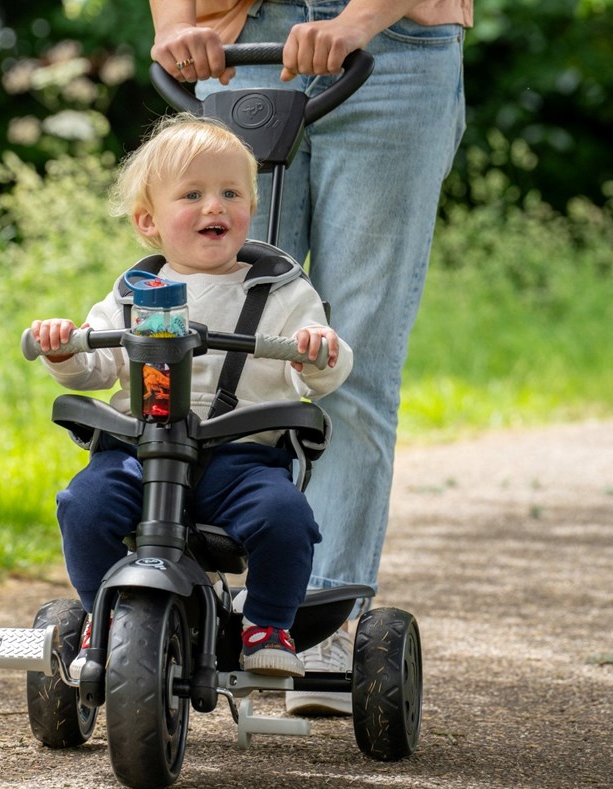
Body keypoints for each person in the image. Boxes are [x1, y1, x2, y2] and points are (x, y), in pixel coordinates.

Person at [149, 0, 471, 714]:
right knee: (214, 346)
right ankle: (190, 596)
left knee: (351, 362)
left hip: (396, 48)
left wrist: (357, 23)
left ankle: (317, 617)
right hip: (240, 41)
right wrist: (172, 25)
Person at [30, 114, 352, 678]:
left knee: (286, 517)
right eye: (193, 194)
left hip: (241, 458)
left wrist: (318, 350)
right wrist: (64, 350)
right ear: (149, 221)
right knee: (83, 505)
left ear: (250, 207)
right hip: (139, 454)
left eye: (231, 193)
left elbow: (321, 371)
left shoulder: (282, 292)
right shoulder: (134, 295)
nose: (215, 207)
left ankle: (269, 624)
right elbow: (96, 363)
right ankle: (98, 616)